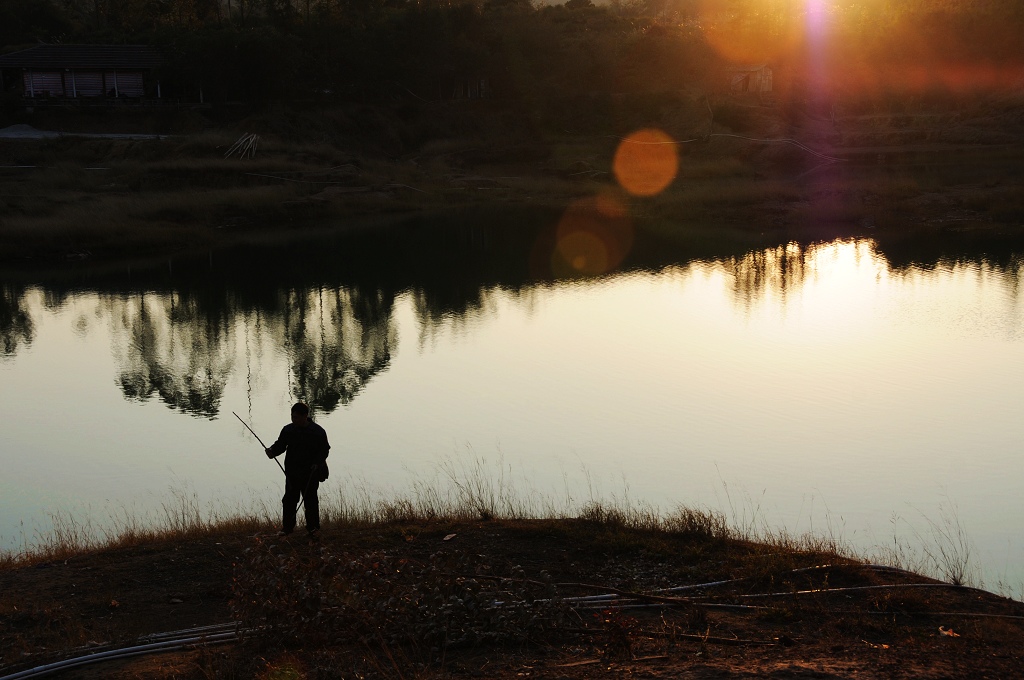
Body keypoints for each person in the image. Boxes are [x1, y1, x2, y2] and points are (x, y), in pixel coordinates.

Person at [265, 402, 330, 538]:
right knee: (289, 500)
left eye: (297, 417)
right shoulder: (288, 430)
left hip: (310, 473)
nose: (294, 420)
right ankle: (287, 528)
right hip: (292, 472)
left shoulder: (318, 432)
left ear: (305, 416)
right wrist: (272, 451)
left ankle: (313, 529)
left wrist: (317, 464)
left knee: (310, 500)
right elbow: (280, 445)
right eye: (292, 417)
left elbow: (324, 450)